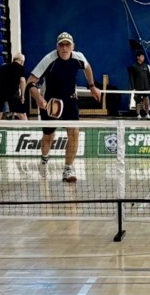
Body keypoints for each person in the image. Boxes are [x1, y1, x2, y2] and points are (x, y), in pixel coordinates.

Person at [25, 32, 102, 183]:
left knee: (74, 133)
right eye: (61, 45)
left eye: (67, 45)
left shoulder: (78, 57)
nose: (64, 48)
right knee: (49, 137)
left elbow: (87, 67)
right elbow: (30, 82)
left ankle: (68, 169)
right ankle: (44, 160)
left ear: (72, 46)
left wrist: (92, 86)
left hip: (70, 101)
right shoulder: (49, 59)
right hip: (50, 103)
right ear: (57, 47)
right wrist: (38, 98)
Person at [0, 52, 27, 120]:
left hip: (0, 92)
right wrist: (23, 95)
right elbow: (22, 80)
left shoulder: (3, 67)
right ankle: (28, 128)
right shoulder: (20, 68)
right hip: (12, 92)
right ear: (21, 61)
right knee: (21, 113)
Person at [127, 50, 150, 119]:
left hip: (146, 87)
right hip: (138, 87)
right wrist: (133, 87)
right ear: (138, 57)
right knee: (137, 101)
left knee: (147, 99)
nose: (143, 58)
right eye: (141, 56)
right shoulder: (134, 66)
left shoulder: (146, 66)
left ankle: (147, 114)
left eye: (143, 56)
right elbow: (131, 78)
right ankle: (138, 114)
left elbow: (148, 77)